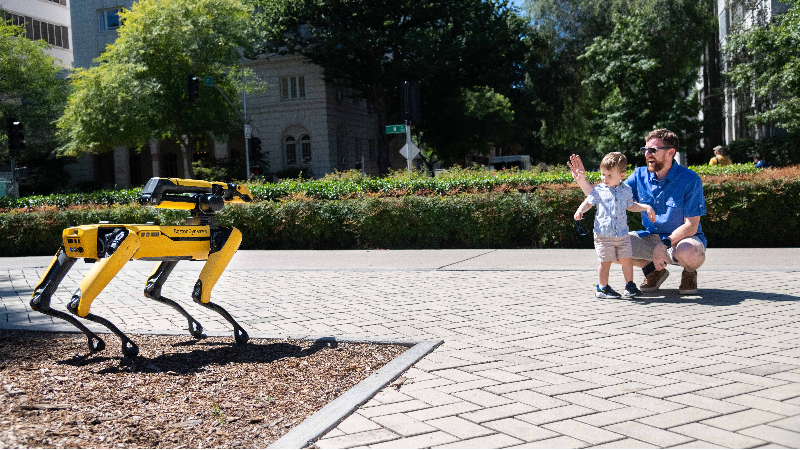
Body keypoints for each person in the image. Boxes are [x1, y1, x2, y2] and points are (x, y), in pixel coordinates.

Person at [568, 129, 707, 295]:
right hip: (650, 238)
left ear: (670, 152)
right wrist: (582, 181)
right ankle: (653, 270)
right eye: (645, 150)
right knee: (610, 245)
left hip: (681, 240)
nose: (647, 154)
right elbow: (606, 195)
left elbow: (691, 226)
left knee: (691, 252)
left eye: (653, 150)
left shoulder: (690, 179)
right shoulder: (639, 175)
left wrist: (664, 244)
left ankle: (689, 273)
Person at [574, 152, 656, 299]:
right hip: (603, 235)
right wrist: (580, 210)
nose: (604, 178)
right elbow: (588, 202)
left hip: (622, 234)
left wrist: (646, 207)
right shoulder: (599, 190)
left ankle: (629, 286)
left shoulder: (626, 190)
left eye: (609, 175)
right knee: (605, 262)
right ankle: (602, 288)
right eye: (603, 174)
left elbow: (631, 206)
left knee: (627, 260)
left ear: (622, 175)